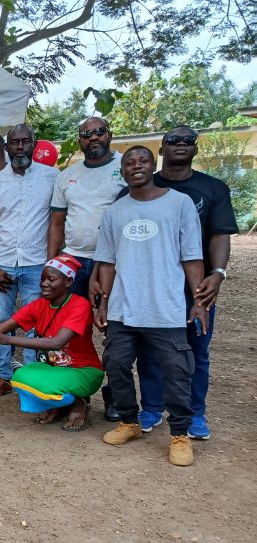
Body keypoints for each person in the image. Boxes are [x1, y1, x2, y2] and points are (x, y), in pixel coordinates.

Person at [94, 146, 206, 467]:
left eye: (143, 161)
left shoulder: (179, 204)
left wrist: (198, 301)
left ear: (153, 164)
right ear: (123, 171)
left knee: (176, 371)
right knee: (115, 363)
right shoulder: (116, 211)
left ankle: (180, 434)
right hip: (122, 308)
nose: (136, 166)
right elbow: (107, 262)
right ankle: (129, 422)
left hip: (165, 307)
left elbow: (192, 257)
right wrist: (103, 304)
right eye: (130, 162)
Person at [134, 126, 237, 439]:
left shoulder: (213, 188)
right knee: (149, 351)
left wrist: (217, 273)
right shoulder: (142, 186)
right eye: (173, 140)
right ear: (162, 150)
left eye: (188, 140)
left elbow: (220, 235)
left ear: (196, 148)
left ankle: (194, 414)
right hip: (152, 284)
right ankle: (151, 407)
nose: (181, 144)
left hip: (195, 287)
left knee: (195, 351)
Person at [0, 254, 103, 431]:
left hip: (83, 370)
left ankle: (78, 403)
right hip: (53, 369)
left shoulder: (80, 305)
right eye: (42, 279)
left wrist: (8, 340)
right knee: (21, 378)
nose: (44, 284)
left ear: (68, 282)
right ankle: (60, 405)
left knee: (41, 385)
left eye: (51, 279)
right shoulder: (39, 305)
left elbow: (57, 343)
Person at [47, 117, 125, 421]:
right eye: (86, 134)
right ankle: (75, 398)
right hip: (73, 262)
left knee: (115, 332)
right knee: (71, 334)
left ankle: (116, 397)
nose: (93, 137)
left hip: (113, 263)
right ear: (79, 140)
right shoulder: (68, 176)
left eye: (99, 132)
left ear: (109, 134)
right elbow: (57, 223)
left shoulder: (126, 167)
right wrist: (52, 263)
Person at [0, 124, 59, 398]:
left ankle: (30, 378)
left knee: (35, 323)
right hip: (3, 263)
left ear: (34, 144)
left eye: (26, 141)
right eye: (15, 142)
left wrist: (50, 265)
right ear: (7, 147)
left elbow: (56, 224)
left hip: (38, 263)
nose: (21, 146)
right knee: (1, 320)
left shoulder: (52, 177)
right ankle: (3, 377)